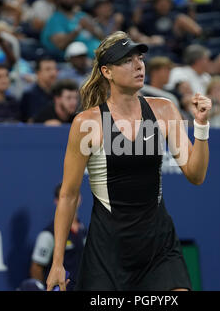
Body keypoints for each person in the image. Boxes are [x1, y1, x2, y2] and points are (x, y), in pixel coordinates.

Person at [45, 31, 211, 291]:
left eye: (140, 58)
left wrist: (200, 128)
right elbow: (68, 195)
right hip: (109, 250)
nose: (138, 65)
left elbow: (196, 175)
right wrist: (57, 262)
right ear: (107, 72)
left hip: (159, 245)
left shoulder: (164, 109)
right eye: (126, 60)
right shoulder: (87, 123)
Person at [30, 183, 87, 291]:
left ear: (79, 198)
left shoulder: (84, 230)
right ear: (57, 201)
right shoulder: (49, 234)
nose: (70, 200)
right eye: (65, 197)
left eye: (73, 195)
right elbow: (36, 267)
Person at [40, 0, 104, 60]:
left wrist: (90, 28)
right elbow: (61, 45)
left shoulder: (82, 15)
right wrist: (78, 28)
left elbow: (102, 37)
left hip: (101, 53)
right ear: (57, 0)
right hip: (79, 60)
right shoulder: (55, 20)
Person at [20, 56, 58, 122]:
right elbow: (29, 122)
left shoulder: (58, 94)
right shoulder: (29, 95)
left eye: (54, 69)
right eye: (48, 69)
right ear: (38, 73)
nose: (53, 73)